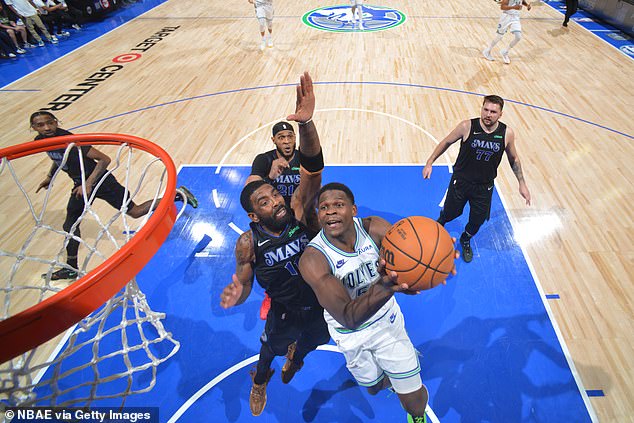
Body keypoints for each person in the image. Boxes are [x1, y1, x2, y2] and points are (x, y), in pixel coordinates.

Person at [299, 182, 458, 423]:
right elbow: (347, 316)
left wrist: (438, 259)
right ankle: (395, 378)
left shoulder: (374, 228)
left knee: (414, 403)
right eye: (323, 207)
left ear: (353, 210)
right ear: (318, 214)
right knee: (373, 387)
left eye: (338, 205)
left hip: (387, 324)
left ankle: (415, 412)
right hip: (350, 334)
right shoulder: (313, 259)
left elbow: (413, 249)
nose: (330, 211)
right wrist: (384, 287)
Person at [219, 72, 330, 417]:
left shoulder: (297, 211)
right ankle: (259, 383)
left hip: (319, 301)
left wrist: (308, 124)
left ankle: (297, 357)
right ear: (255, 217)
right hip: (282, 308)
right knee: (268, 353)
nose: (275, 201)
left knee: (312, 342)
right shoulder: (247, 243)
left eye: (273, 195)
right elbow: (245, 277)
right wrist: (239, 288)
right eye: (264, 202)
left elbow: (313, 171)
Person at [30, 111, 199, 280]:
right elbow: (60, 158)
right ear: (33, 128)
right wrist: (49, 176)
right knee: (70, 224)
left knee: (135, 212)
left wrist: (88, 183)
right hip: (80, 185)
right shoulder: (42, 141)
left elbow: (104, 159)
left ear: (56, 122)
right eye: (40, 125)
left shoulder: (70, 140)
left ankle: (178, 194)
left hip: (101, 182)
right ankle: (71, 268)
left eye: (49, 123)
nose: (46, 128)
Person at [422, 95, 531, 262]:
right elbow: (446, 142)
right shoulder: (467, 126)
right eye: (485, 109)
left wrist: (522, 183)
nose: (488, 114)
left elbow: (513, 158)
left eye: (493, 112)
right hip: (461, 182)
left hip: (484, 187)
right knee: (452, 212)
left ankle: (465, 238)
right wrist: (430, 162)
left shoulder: (506, 133)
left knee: (477, 221)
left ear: (500, 114)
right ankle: (442, 221)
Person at [245, 121, 301, 208]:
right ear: (273, 140)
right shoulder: (263, 159)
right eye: (281, 137)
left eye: (290, 136)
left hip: (298, 207)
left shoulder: (304, 159)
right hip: (274, 208)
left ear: (294, 137)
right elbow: (249, 192)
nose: (286, 141)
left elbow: (316, 189)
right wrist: (270, 178)